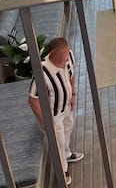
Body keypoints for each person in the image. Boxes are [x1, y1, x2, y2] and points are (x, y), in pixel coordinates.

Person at [29, 37, 83, 186]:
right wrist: (44, 121)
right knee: (57, 143)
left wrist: (72, 94)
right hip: (53, 115)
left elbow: (71, 75)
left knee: (68, 128)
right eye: (64, 54)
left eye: (67, 52)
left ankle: (66, 154)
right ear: (53, 54)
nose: (67, 57)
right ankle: (62, 171)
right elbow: (32, 100)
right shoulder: (43, 72)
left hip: (66, 107)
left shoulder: (69, 55)